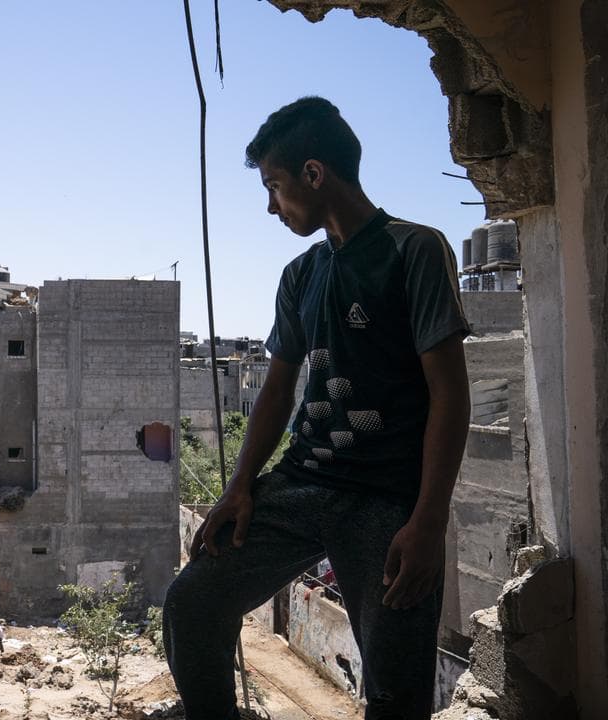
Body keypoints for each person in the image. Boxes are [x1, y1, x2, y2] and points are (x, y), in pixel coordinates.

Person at [162, 97, 470, 720]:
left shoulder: (416, 251)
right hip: (302, 484)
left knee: (395, 686)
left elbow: (450, 394)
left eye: (274, 186)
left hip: (387, 500)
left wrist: (429, 521)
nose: (271, 206)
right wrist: (240, 486)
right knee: (193, 602)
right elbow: (277, 390)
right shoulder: (301, 275)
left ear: (313, 174)